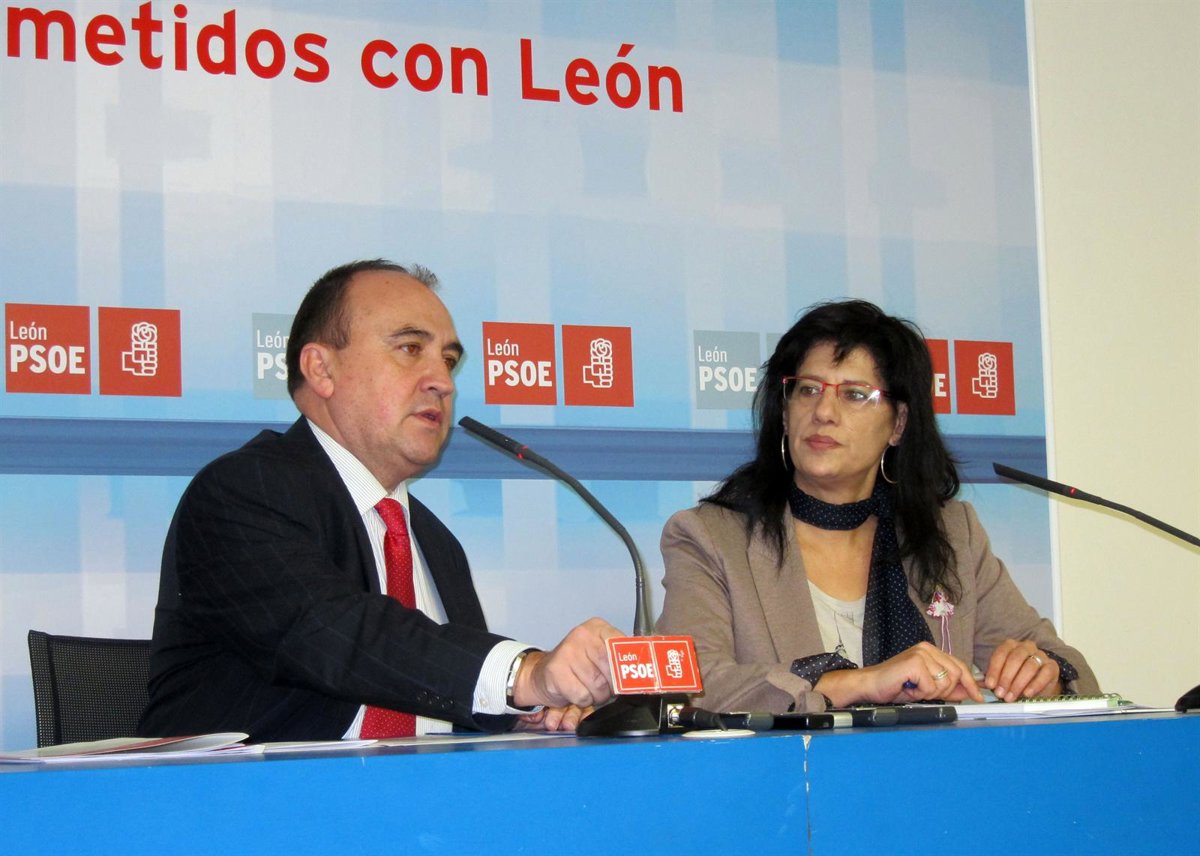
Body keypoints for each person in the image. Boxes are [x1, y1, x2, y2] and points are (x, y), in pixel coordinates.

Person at [140, 259, 620, 741]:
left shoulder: (435, 543)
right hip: (258, 788)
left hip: (426, 786)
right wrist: (524, 674)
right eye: (411, 349)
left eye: (448, 360)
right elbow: (336, 635)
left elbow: (434, 684)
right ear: (321, 369)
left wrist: (523, 708)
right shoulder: (243, 491)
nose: (443, 381)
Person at [656, 299, 1099, 714]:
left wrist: (1043, 673)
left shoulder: (950, 533)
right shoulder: (712, 538)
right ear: (785, 413)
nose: (823, 412)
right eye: (807, 390)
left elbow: (1068, 667)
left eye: (854, 395)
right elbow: (692, 686)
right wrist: (860, 683)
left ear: (898, 424)